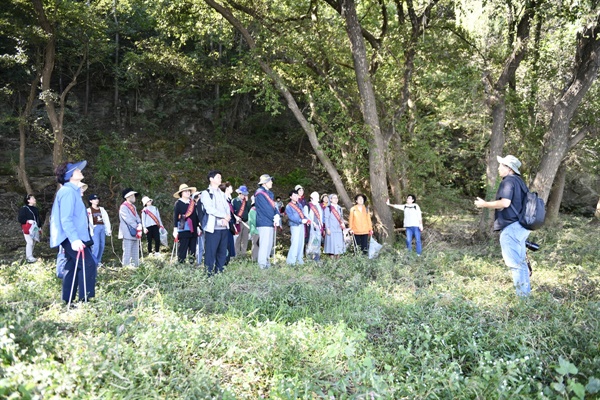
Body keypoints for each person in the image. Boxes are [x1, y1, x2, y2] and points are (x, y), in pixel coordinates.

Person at [475, 155, 531, 297]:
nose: (499, 168)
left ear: (509, 168)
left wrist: (484, 204)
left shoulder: (508, 181)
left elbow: (505, 203)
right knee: (521, 263)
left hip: (511, 227)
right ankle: (526, 296)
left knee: (515, 264)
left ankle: (522, 300)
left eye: (502, 166)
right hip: (522, 226)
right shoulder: (520, 182)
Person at [50, 160, 97, 303]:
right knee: (89, 264)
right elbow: (66, 219)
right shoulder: (68, 192)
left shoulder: (73, 192)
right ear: (70, 175)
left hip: (75, 237)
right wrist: (75, 240)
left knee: (72, 267)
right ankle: (85, 301)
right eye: (77, 170)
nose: (80, 171)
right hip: (71, 237)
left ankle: (67, 300)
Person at [201, 171, 231, 275]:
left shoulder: (222, 194)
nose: (220, 179)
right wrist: (223, 216)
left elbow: (227, 209)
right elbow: (209, 209)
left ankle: (219, 273)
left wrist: (227, 218)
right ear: (211, 179)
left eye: (220, 177)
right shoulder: (206, 193)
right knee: (210, 252)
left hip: (224, 227)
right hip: (213, 228)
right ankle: (208, 274)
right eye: (218, 177)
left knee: (222, 253)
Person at [255, 174, 280, 269]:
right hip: (264, 222)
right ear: (265, 183)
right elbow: (266, 209)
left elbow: (274, 206)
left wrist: (277, 215)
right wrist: (274, 217)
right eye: (270, 181)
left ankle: (266, 262)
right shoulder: (260, 194)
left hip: (270, 222)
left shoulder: (270, 193)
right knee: (264, 244)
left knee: (269, 244)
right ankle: (262, 264)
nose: (272, 182)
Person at [173, 183, 199, 264]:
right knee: (183, 248)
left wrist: (198, 226)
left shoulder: (192, 203)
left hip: (193, 228)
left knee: (193, 249)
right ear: (181, 193)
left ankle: (192, 264)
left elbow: (195, 215)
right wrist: (175, 229)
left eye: (189, 191)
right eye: (185, 191)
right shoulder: (178, 203)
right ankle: (181, 265)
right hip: (183, 227)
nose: (188, 193)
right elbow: (175, 216)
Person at [119, 188, 142, 267]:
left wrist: (139, 224)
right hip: (127, 233)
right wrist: (137, 226)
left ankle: (136, 267)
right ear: (127, 197)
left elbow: (137, 217)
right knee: (127, 252)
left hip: (135, 232)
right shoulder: (123, 207)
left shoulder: (133, 207)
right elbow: (128, 219)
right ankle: (125, 269)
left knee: (135, 252)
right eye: (132, 195)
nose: (134, 197)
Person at [285, 189, 309, 265]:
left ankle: (299, 260)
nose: (296, 197)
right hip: (295, 226)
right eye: (294, 195)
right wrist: (300, 221)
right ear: (290, 197)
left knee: (301, 243)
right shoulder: (289, 206)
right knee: (295, 243)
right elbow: (291, 217)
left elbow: (303, 214)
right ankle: (291, 261)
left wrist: (306, 220)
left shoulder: (299, 204)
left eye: (296, 195)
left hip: (301, 225)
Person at [87, 194, 112, 266]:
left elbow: (106, 219)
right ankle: (93, 261)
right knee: (96, 245)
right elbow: (88, 221)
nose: (96, 200)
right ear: (91, 201)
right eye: (94, 199)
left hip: (102, 227)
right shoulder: (88, 210)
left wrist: (108, 229)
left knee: (102, 245)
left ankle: (98, 261)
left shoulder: (102, 209)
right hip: (95, 228)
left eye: (97, 199)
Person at [18, 194, 42, 263]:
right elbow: (20, 219)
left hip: (35, 227)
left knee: (34, 240)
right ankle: (29, 257)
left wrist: (39, 227)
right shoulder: (24, 209)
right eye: (32, 198)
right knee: (29, 241)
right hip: (27, 228)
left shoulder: (35, 209)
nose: (34, 199)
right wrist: (28, 221)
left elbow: (38, 219)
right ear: (28, 200)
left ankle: (31, 255)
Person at [324, 193, 346, 258]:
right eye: (334, 198)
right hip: (331, 230)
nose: (336, 199)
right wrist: (327, 228)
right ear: (330, 199)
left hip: (338, 230)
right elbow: (326, 219)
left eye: (336, 198)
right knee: (332, 247)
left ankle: (338, 263)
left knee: (338, 247)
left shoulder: (339, 208)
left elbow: (341, 218)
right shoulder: (328, 208)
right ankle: (332, 264)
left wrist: (343, 224)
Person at [219, 181, 237, 264]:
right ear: (226, 189)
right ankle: (224, 260)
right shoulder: (223, 199)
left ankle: (227, 260)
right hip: (225, 223)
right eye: (230, 187)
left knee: (229, 242)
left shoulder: (229, 199)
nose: (232, 188)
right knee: (225, 243)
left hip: (230, 223)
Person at [304, 191, 323, 261]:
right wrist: (313, 223)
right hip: (311, 228)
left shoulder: (319, 206)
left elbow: (321, 217)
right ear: (312, 198)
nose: (318, 198)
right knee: (310, 243)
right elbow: (306, 217)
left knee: (317, 243)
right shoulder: (307, 206)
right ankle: (309, 259)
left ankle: (316, 258)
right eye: (316, 197)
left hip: (318, 228)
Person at [233, 185, 251, 257]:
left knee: (245, 238)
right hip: (238, 222)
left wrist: (247, 202)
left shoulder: (246, 202)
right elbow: (232, 211)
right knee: (238, 238)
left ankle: (243, 254)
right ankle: (236, 253)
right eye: (243, 194)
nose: (244, 196)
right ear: (239, 193)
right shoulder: (234, 201)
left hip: (246, 221)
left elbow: (249, 210)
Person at [248, 196, 259, 262]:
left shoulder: (258, 209)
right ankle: (254, 260)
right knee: (255, 245)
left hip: (259, 230)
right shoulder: (253, 210)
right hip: (255, 231)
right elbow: (254, 221)